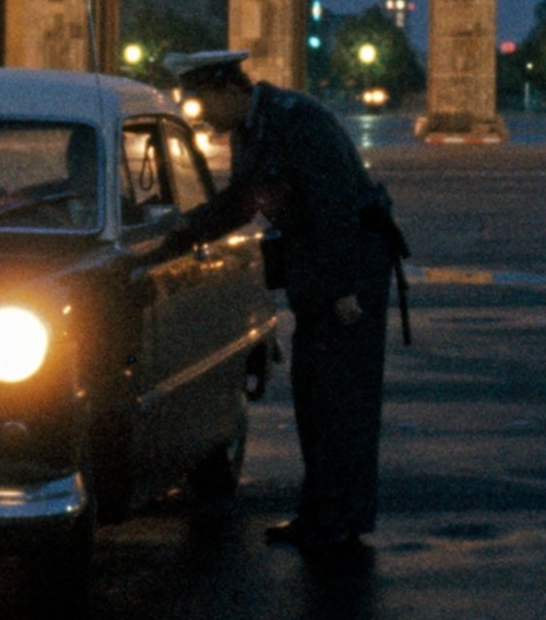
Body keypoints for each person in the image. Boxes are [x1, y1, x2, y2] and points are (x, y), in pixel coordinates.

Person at [157, 50, 407, 553]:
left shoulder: (298, 120)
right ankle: (320, 513)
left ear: (230, 88)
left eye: (204, 101)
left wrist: (342, 293)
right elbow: (241, 203)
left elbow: (336, 207)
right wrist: (179, 236)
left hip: (348, 271)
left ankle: (343, 519)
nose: (201, 114)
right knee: (315, 395)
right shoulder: (254, 128)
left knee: (344, 400)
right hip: (316, 272)